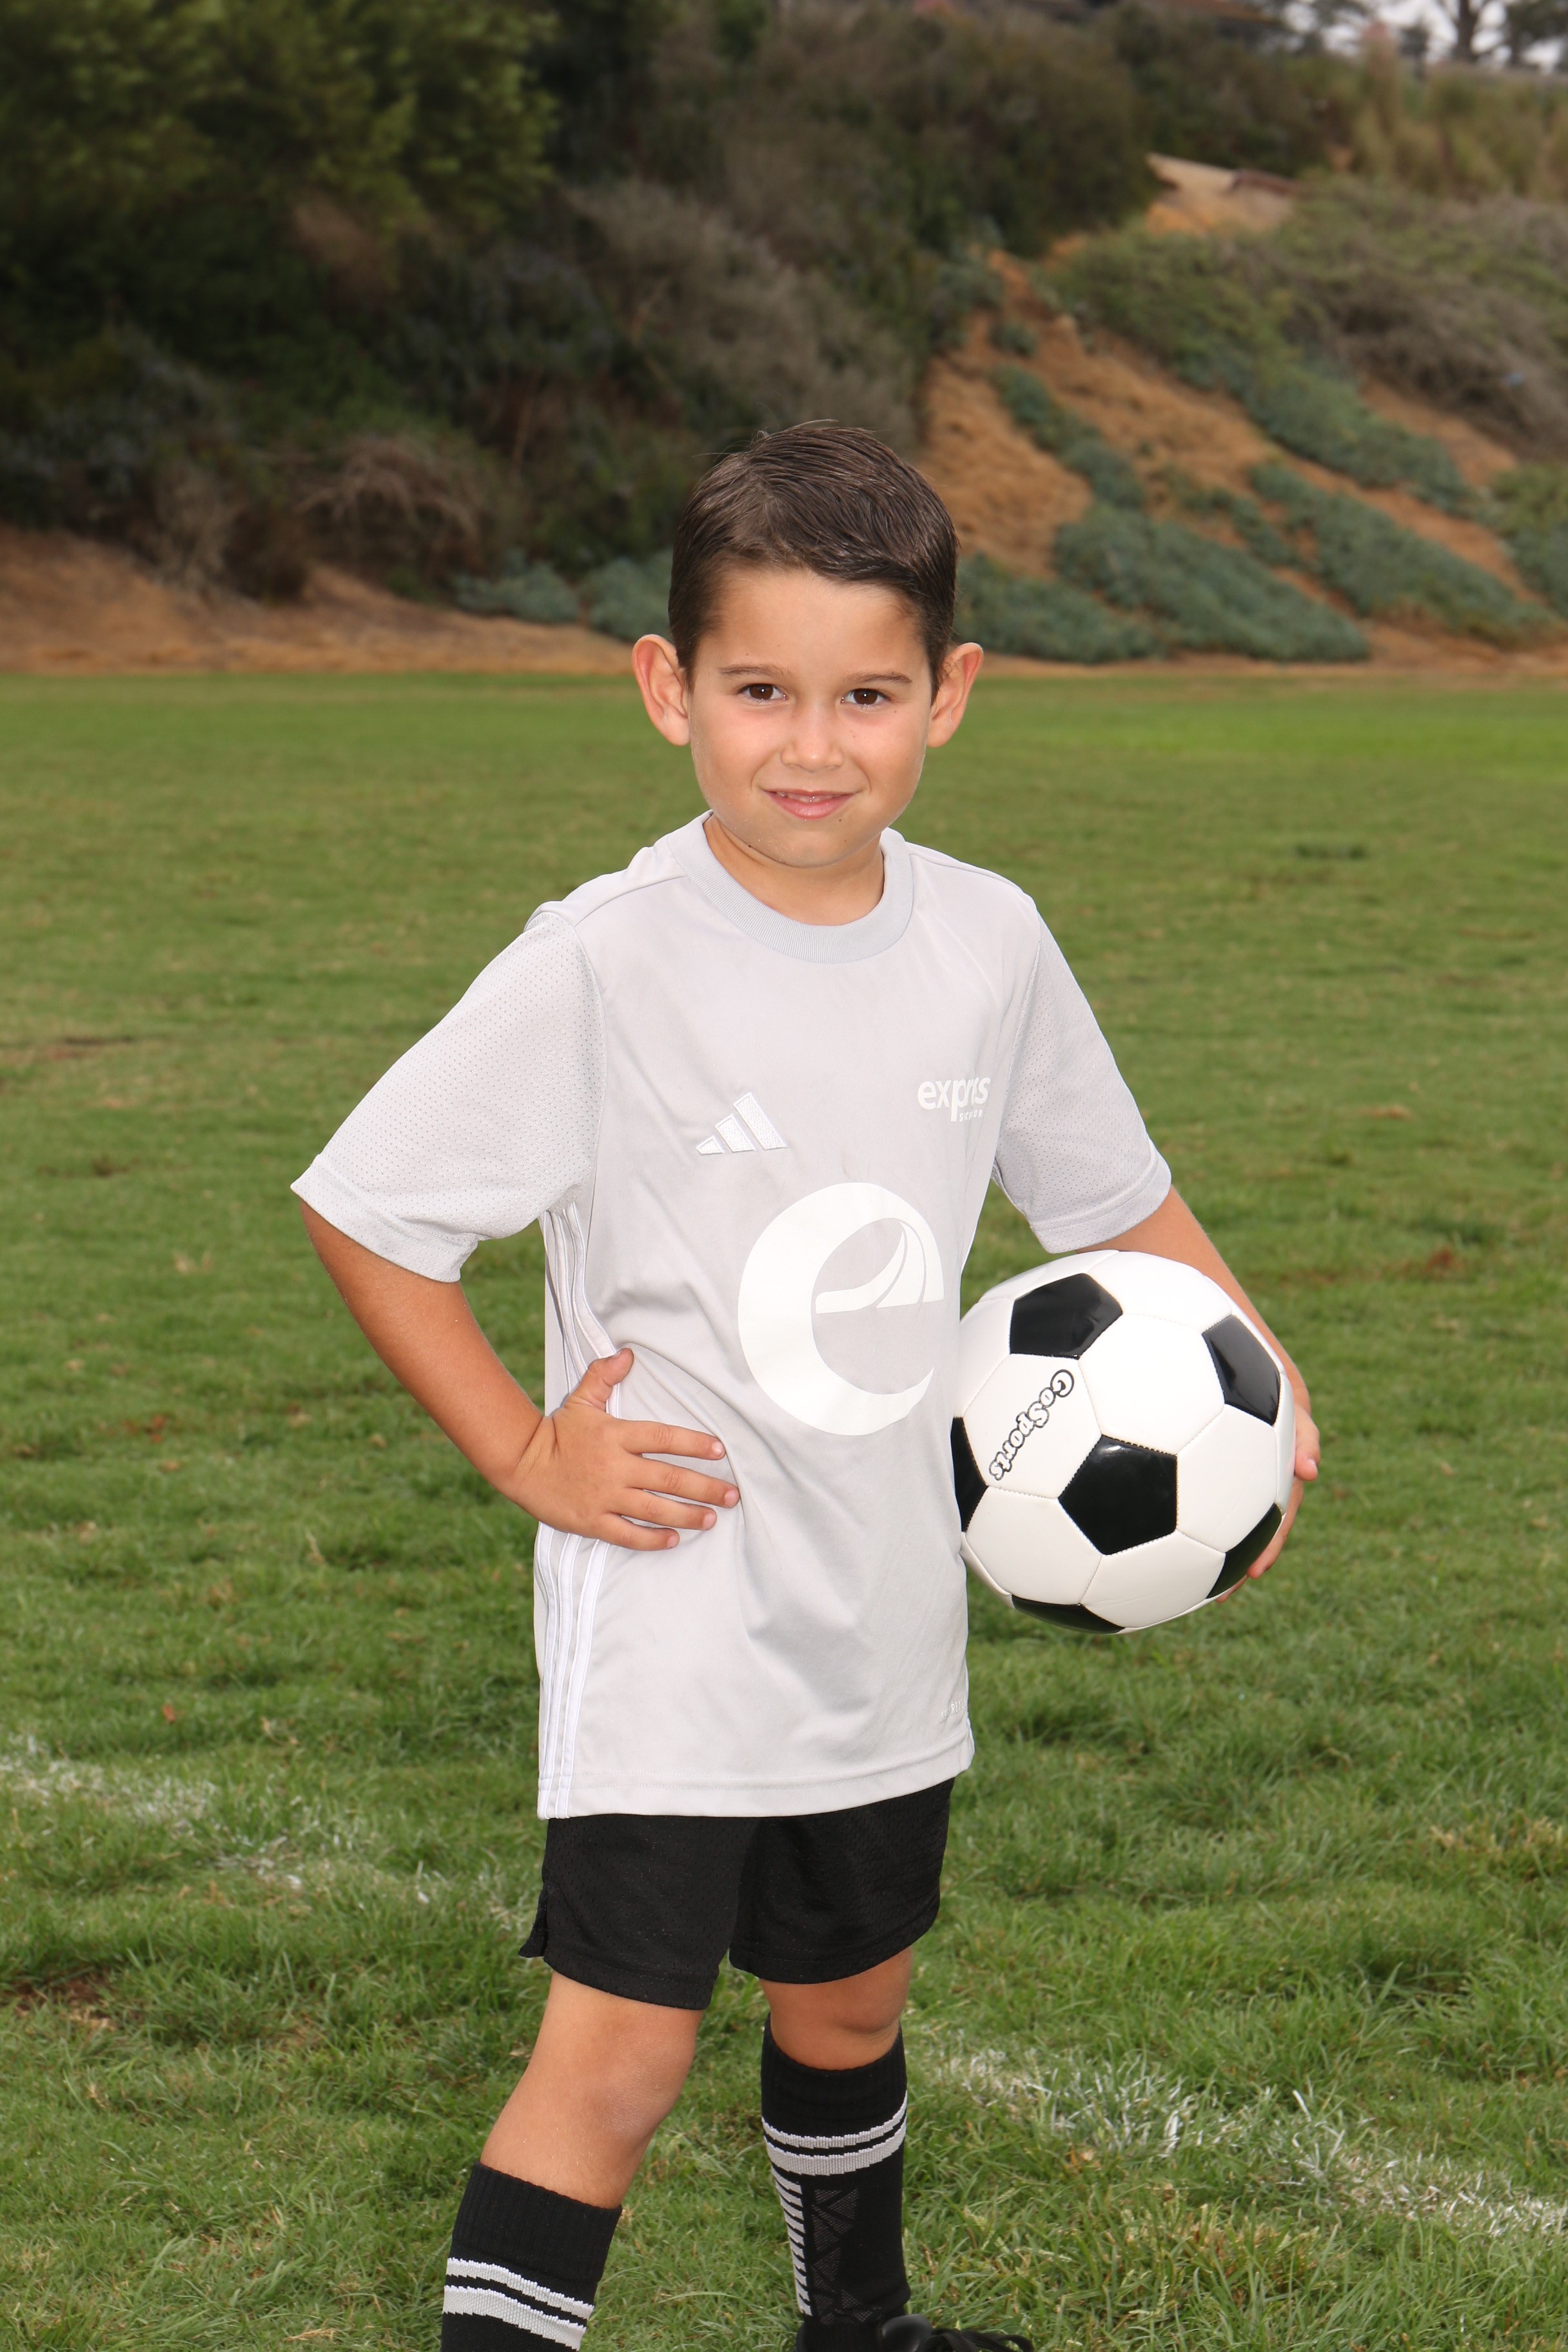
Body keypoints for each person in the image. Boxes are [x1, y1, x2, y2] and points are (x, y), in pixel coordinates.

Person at [293, 423, 1318, 2352]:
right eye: (761, 691)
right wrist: (523, 1451)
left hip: (886, 1598)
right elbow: (371, 1210)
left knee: (851, 2005)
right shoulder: (605, 964)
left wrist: (1261, 1389)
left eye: (867, 695)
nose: (813, 746)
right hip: (679, 1612)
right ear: (667, 686)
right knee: (618, 2063)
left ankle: (858, 2329)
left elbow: (1114, 1198)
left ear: (952, 692)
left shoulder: (989, 940)